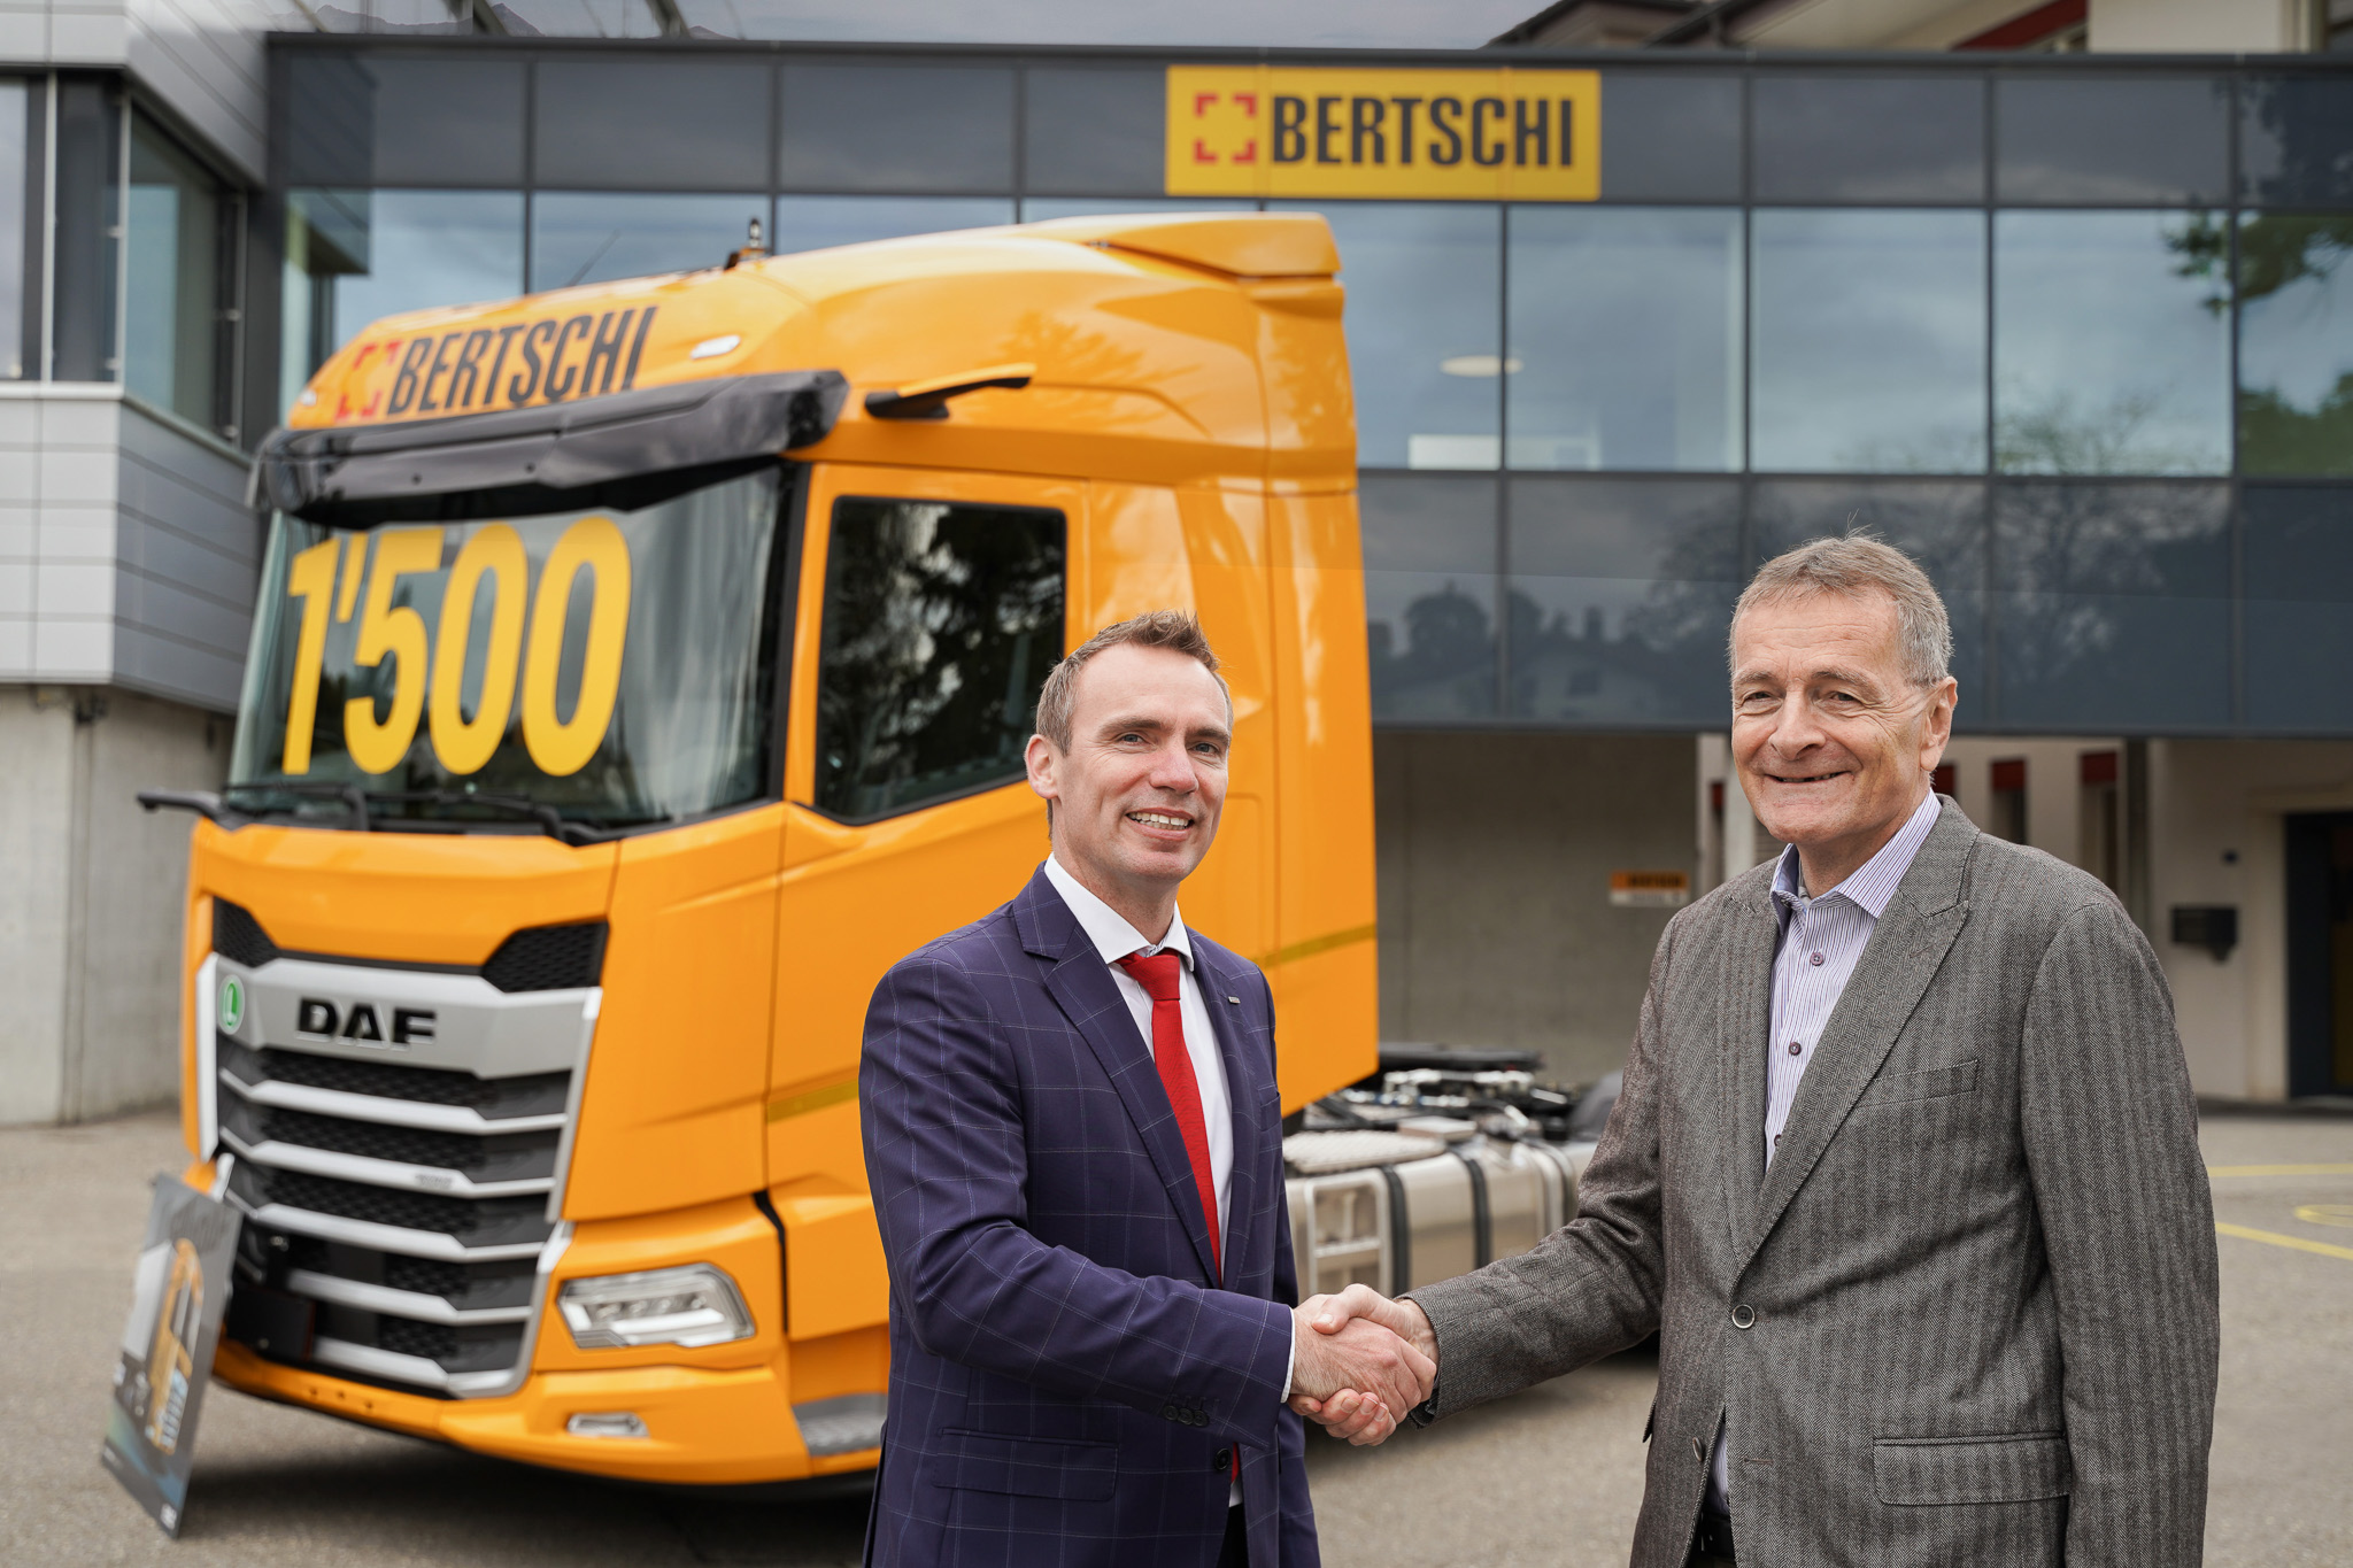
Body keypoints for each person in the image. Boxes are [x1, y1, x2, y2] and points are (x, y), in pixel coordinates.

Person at [1297, 536, 2220, 1568]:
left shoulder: (2056, 935)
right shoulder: (1702, 942)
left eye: (1839, 694)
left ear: (1936, 718)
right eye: (1759, 695)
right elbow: (1629, 1244)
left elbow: (2144, 1350)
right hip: (1702, 1535)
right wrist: (1430, 1335)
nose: (1791, 734)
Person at [860, 610, 1433, 1568]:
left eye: (1206, 746)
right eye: (1135, 737)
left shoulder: (1242, 992)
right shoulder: (949, 993)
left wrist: (1311, 1417)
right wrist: (1284, 1354)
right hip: (1025, 1542)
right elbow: (964, 1280)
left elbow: (1258, 1287)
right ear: (1045, 764)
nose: (1178, 773)